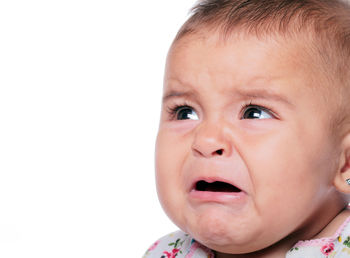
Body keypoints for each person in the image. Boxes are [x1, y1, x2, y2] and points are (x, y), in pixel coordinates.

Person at [144, 0, 350, 257]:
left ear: (345, 163)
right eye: (185, 112)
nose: (206, 140)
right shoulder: (165, 252)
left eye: (254, 113)